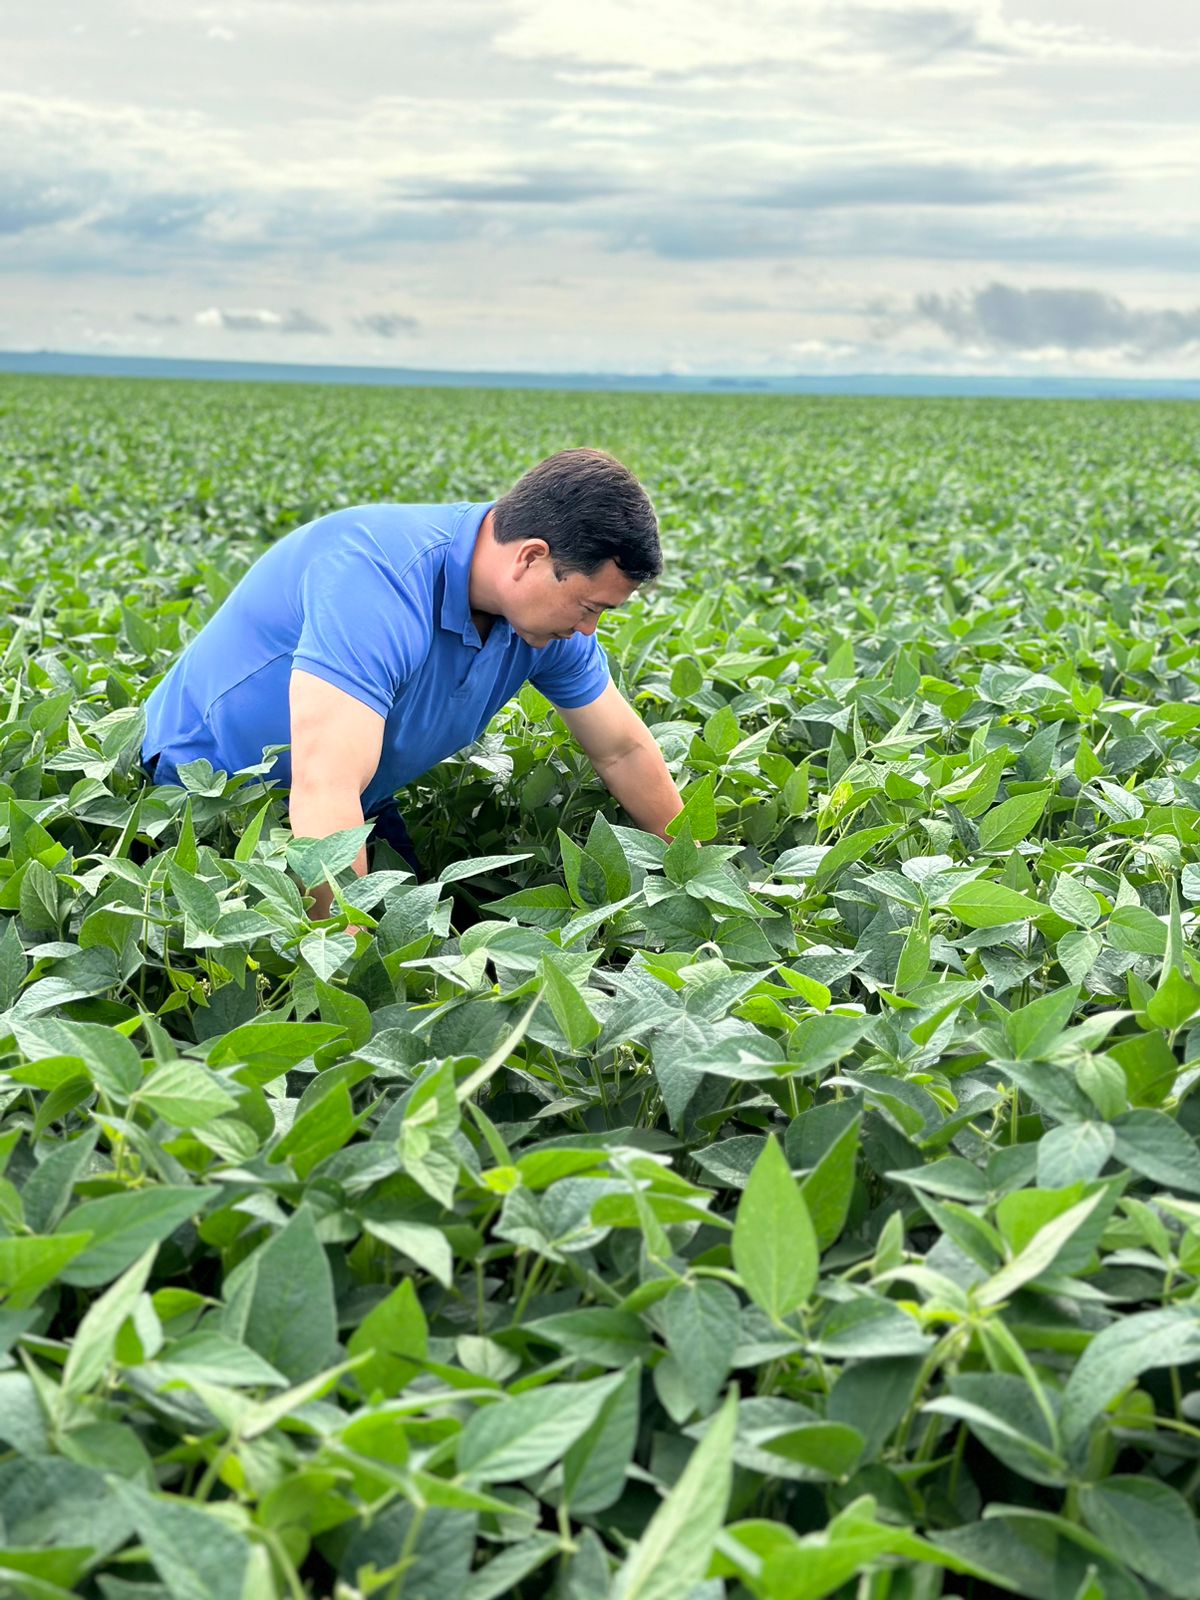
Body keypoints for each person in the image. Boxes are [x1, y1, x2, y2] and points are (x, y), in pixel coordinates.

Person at [142, 447, 684, 916]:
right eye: (589, 607)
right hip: (209, 798)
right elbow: (323, 786)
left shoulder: (547, 627)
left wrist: (696, 870)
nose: (589, 629)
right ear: (531, 557)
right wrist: (349, 962)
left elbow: (622, 751)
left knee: (433, 953)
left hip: (355, 801)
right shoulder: (377, 577)